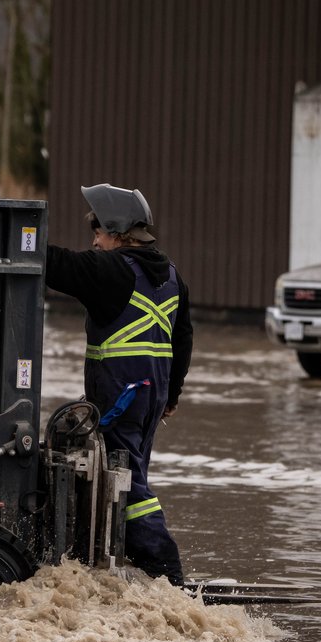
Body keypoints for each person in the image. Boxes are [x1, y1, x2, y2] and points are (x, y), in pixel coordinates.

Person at [45, 183, 192, 585]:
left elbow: (57, 264)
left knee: (129, 483)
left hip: (121, 394)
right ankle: (112, 563)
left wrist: (8, 228)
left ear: (116, 232)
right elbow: (183, 339)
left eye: (98, 233)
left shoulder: (111, 270)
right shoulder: (171, 275)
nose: (94, 242)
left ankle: (166, 572)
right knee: (129, 473)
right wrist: (172, 396)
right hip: (151, 395)